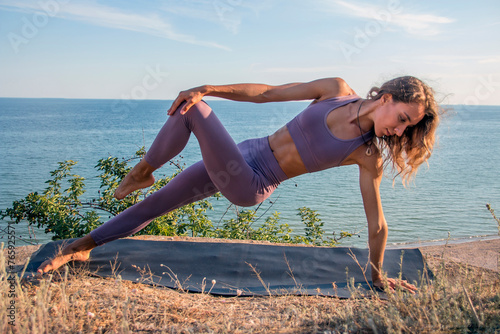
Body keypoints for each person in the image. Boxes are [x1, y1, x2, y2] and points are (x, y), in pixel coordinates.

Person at [37, 76, 441, 293]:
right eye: (403, 117)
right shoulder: (335, 91)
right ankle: (77, 249)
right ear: (386, 97)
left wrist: (375, 275)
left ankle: (144, 169)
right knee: (156, 204)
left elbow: (377, 224)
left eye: (408, 126)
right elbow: (267, 93)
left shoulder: (365, 153)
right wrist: (208, 86)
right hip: (245, 152)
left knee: (193, 110)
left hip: (252, 181)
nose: (399, 129)